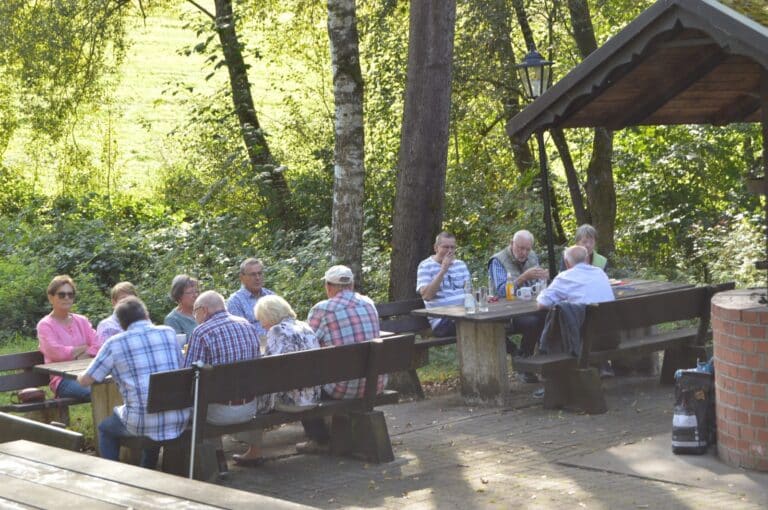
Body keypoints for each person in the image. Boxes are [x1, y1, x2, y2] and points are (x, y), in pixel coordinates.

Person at [77, 297, 189, 468]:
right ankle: (147, 469)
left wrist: (79, 375)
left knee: (105, 429)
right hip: (179, 416)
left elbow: (86, 380)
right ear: (146, 315)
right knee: (148, 412)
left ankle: (113, 476)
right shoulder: (168, 333)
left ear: (121, 324)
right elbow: (181, 366)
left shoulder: (114, 343)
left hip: (141, 421)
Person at [299, 265, 381, 453]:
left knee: (301, 383)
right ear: (351, 285)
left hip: (341, 388)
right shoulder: (368, 303)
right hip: (374, 383)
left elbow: (307, 346)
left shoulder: (322, 309)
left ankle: (319, 439)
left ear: (328, 287)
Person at [184, 291, 271, 467]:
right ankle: (254, 450)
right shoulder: (247, 325)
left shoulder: (201, 332)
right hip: (250, 407)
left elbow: (189, 375)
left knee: (202, 396)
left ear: (203, 310)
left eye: (195, 312)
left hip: (219, 413)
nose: (195, 317)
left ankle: (218, 458)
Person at [488, 230, 549, 383]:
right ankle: (523, 362)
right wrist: (523, 278)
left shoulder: (532, 256)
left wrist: (544, 279)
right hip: (506, 312)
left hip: (530, 307)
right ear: (511, 244)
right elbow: (501, 291)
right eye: (520, 248)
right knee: (532, 322)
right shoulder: (498, 260)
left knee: (550, 316)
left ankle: (541, 363)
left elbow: (538, 286)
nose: (524, 253)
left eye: (528, 249)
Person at [37, 275, 100, 400]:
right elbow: (57, 353)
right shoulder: (45, 325)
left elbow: (99, 345)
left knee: (115, 388)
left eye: (70, 295)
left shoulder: (82, 321)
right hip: (63, 380)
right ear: (51, 297)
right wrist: (84, 349)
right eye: (62, 295)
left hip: (88, 373)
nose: (66, 298)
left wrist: (79, 353)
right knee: (96, 392)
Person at [256, 295, 320, 412]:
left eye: (261, 319)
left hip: (290, 402)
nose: (261, 325)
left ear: (269, 315)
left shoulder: (276, 330)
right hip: (313, 398)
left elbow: (267, 369)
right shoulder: (305, 326)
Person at [416, 232, 471, 337]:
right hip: (442, 321)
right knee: (478, 325)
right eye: (445, 247)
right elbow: (427, 296)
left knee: (489, 321)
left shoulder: (461, 265)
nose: (449, 251)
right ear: (436, 248)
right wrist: (443, 270)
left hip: (465, 315)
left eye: (452, 247)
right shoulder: (425, 266)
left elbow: (469, 292)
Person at [537, 246, 614, 310]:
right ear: (586, 259)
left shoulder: (565, 277)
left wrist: (560, 305)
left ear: (566, 262)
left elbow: (542, 303)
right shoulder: (600, 272)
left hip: (582, 323)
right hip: (609, 321)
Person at [226, 258, 275, 337]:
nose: (257, 278)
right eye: (253, 275)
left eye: (260, 273)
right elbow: (240, 333)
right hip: (254, 343)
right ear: (242, 277)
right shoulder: (235, 301)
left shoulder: (271, 296)